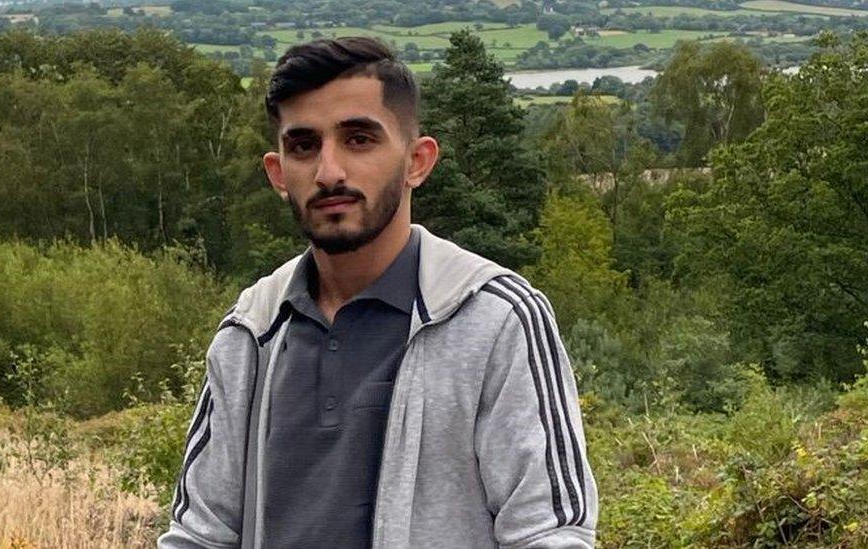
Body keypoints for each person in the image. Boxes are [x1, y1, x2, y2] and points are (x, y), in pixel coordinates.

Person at [158, 36, 598, 549]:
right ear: (278, 173)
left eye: (359, 139)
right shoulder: (251, 332)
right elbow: (198, 535)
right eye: (303, 145)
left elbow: (550, 532)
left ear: (417, 161)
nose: (329, 172)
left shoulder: (494, 319)